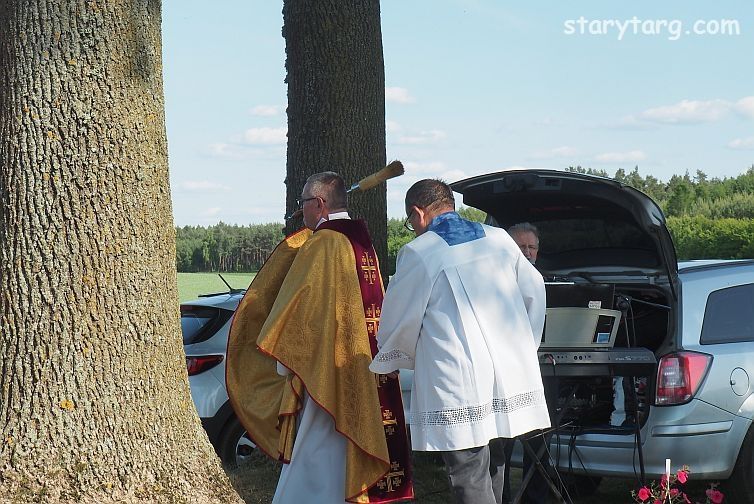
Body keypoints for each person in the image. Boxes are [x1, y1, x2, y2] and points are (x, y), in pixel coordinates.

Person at [226, 172, 413, 503]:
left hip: (327, 374)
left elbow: (299, 308)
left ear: (319, 204)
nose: (302, 210)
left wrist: (288, 364)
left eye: (303, 203)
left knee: (317, 448)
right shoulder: (360, 241)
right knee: (347, 442)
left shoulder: (323, 244)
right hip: (363, 365)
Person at [369, 179, 550, 504]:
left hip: (458, 380)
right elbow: (535, 290)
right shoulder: (500, 240)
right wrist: (525, 346)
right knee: (495, 463)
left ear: (417, 213)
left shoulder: (421, 252)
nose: (412, 229)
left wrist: (392, 356)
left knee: (468, 472)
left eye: (411, 222)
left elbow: (398, 318)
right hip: (505, 376)